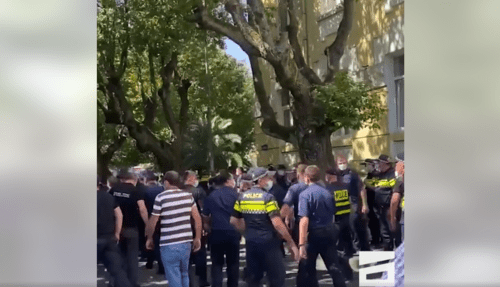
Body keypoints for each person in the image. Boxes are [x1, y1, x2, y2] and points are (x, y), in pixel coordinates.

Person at [230, 167, 299, 287]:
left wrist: (246, 233)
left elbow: (234, 220)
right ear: (261, 180)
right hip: (269, 243)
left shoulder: (242, 197)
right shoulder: (268, 198)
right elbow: (277, 223)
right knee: (277, 277)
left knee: (254, 278)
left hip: (251, 243)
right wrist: (291, 243)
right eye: (267, 177)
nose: (269, 179)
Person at [145, 171, 202, 287]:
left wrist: (149, 238)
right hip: (186, 241)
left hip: (168, 243)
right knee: (184, 273)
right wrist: (197, 238)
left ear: (166, 182)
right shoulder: (188, 196)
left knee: (173, 275)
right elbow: (197, 219)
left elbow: (153, 221)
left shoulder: (161, 197)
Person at [297, 165, 347, 287]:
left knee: (309, 269)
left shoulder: (305, 195)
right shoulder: (327, 193)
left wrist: (301, 244)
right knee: (334, 266)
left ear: (307, 177)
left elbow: (304, 220)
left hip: (313, 235)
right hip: (329, 232)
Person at [110, 169, 149, 287]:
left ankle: (116, 282)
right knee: (132, 257)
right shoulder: (135, 190)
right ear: (134, 180)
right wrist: (148, 224)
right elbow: (142, 209)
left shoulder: (113, 190)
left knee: (118, 257)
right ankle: (132, 283)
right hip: (131, 228)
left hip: (116, 229)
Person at [201, 171, 240, 287]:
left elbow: (205, 215)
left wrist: (207, 226)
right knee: (233, 263)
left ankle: (217, 284)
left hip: (216, 233)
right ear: (228, 181)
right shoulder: (236, 195)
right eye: (233, 179)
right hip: (233, 232)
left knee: (216, 264)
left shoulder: (211, 195)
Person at [97, 176, 132, 287]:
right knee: (117, 271)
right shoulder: (109, 196)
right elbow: (119, 215)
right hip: (109, 239)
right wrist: (117, 233)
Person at [336, 155, 370, 252]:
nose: (342, 165)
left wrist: (364, 204)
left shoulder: (353, 175)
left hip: (353, 203)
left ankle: (363, 247)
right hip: (341, 205)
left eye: (343, 162)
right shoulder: (336, 175)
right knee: (345, 227)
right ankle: (349, 249)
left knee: (355, 225)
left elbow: (361, 189)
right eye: (340, 163)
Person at [184, 171, 209, 287]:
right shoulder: (198, 191)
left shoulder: (178, 191)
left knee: (186, 256)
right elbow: (203, 210)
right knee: (200, 253)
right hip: (196, 225)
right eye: (195, 178)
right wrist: (205, 226)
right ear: (190, 179)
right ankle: (202, 280)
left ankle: (188, 281)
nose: (196, 180)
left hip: (182, 226)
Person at [325, 168, 355, 258]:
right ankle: (349, 251)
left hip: (336, 216)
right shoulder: (345, 186)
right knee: (346, 233)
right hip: (346, 214)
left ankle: (339, 252)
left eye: (327, 175)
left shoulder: (328, 188)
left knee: (336, 235)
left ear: (330, 176)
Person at [372, 155, 398, 251]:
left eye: (379, 163)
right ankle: (388, 250)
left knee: (393, 231)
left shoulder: (393, 174)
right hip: (381, 207)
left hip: (389, 208)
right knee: (384, 231)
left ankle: (396, 251)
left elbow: (395, 192)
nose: (378, 165)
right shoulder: (380, 175)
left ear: (385, 163)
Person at [143, 170, 165, 274]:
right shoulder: (162, 189)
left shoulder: (145, 190)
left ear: (146, 180)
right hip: (163, 218)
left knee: (151, 240)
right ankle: (161, 265)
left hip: (150, 218)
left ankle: (150, 262)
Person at [362, 158, 382, 248]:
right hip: (370, 203)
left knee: (376, 223)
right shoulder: (368, 175)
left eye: (366, 165)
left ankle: (378, 241)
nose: (365, 168)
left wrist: (367, 183)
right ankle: (375, 239)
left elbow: (377, 188)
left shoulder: (377, 175)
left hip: (376, 203)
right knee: (371, 222)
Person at [390, 153, 404, 243]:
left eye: (396, 163)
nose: (395, 166)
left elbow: (395, 200)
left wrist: (392, 218)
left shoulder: (400, 181)